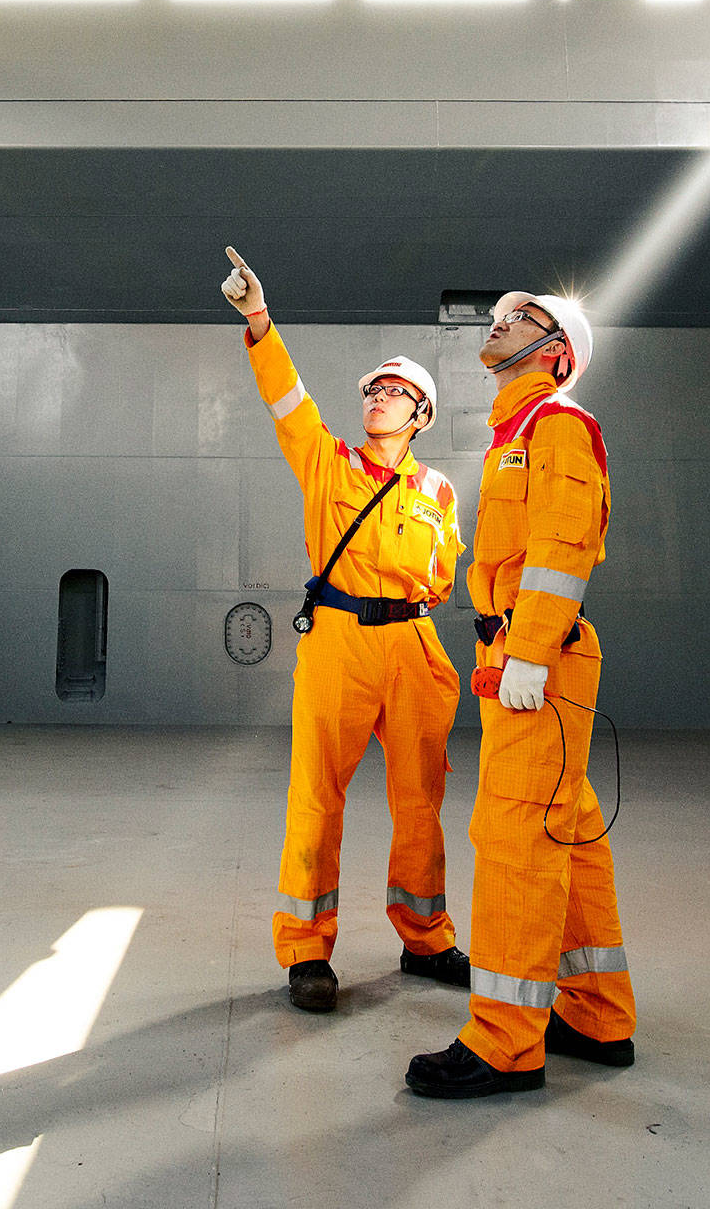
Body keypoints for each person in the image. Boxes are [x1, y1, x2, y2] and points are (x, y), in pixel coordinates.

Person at [220, 247, 471, 1013]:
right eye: (373, 391)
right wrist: (260, 321)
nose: (378, 400)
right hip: (340, 639)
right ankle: (306, 950)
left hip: (415, 645)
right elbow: (288, 401)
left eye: (395, 394)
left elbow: (445, 574)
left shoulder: (440, 492)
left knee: (421, 799)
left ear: (421, 416)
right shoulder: (328, 463)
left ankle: (425, 938)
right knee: (317, 796)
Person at [406, 291, 636, 1098]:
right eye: (501, 313)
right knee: (565, 829)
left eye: (524, 317)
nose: (500, 320)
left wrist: (531, 653)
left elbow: (564, 542)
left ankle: (505, 1042)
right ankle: (598, 1014)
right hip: (518, 654)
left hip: (537, 659)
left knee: (514, 838)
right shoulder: (516, 433)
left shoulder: (557, 424)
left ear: (557, 352)